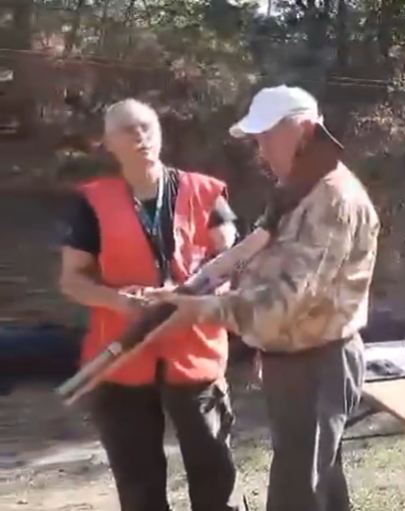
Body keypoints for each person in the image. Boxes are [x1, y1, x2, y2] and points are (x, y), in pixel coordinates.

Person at [148, 85, 380, 511]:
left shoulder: (332, 199)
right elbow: (253, 246)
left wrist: (201, 310)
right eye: (257, 140)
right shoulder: (297, 190)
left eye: (267, 138)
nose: (261, 151)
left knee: (297, 494)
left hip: (318, 365)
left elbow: (280, 307)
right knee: (320, 487)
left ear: (306, 130)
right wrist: (196, 284)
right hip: (296, 360)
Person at [58, 99, 241, 511]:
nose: (140, 136)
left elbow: (231, 260)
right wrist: (118, 301)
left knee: (215, 476)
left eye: (146, 126)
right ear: (107, 143)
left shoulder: (205, 192)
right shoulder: (92, 202)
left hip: (195, 352)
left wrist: (190, 295)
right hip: (121, 357)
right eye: (127, 130)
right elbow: (72, 279)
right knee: (139, 487)